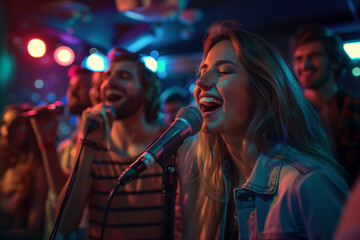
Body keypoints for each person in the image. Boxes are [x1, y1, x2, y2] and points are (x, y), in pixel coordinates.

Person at [191, 20, 350, 239]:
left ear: (262, 90)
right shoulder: (215, 184)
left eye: (224, 71)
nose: (201, 81)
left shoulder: (309, 184)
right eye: (203, 71)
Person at [55, 47, 171, 239]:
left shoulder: (168, 141)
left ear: (146, 90)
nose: (110, 82)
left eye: (124, 76)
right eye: (107, 76)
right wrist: (87, 147)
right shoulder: (94, 143)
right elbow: (64, 224)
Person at [293, 24, 360, 182]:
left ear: (334, 61)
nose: (305, 65)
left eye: (314, 56)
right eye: (299, 59)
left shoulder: (356, 108)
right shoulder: (290, 113)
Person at [42, 65, 93, 239]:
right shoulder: (65, 147)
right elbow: (59, 195)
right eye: (70, 87)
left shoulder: (102, 146)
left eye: (79, 87)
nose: (71, 93)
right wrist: (46, 140)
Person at [0, 104, 48, 239]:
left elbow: (34, 231)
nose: (8, 130)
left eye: (17, 124)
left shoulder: (38, 169)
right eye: (5, 123)